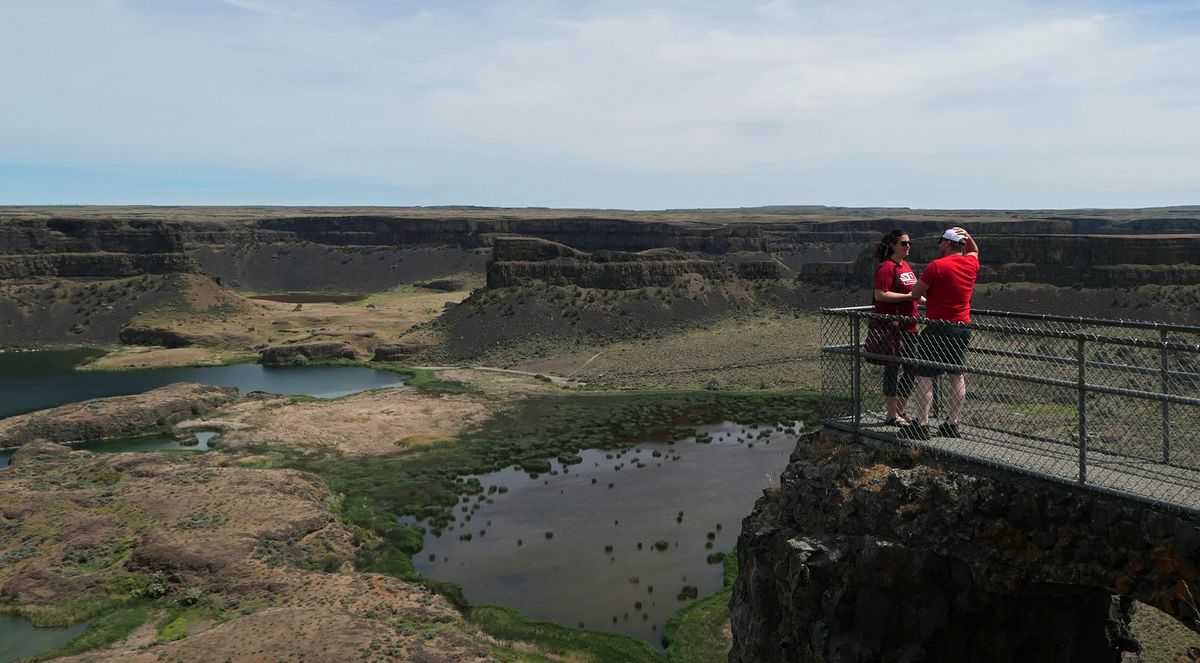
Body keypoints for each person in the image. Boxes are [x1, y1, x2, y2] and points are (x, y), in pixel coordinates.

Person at [899, 226, 980, 440]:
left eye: (940, 241)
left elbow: (915, 294)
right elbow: (975, 251)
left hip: (937, 328)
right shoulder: (971, 263)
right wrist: (968, 236)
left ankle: (922, 425)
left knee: (925, 376)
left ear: (946, 243)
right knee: (957, 376)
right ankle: (952, 423)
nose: (939, 245)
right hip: (962, 327)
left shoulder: (936, 266)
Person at [870, 230, 919, 428]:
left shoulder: (905, 266)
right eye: (904, 243)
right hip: (894, 328)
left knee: (912, 367)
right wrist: (909, 298)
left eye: (909, 243)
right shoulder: (887, 267)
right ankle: (891, 415)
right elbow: (880, 295)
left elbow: (914, 292)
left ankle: (900, 410)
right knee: (892, 368)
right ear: (893, 245)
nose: (908, 246)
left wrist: (929, 302)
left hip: (910, 327)